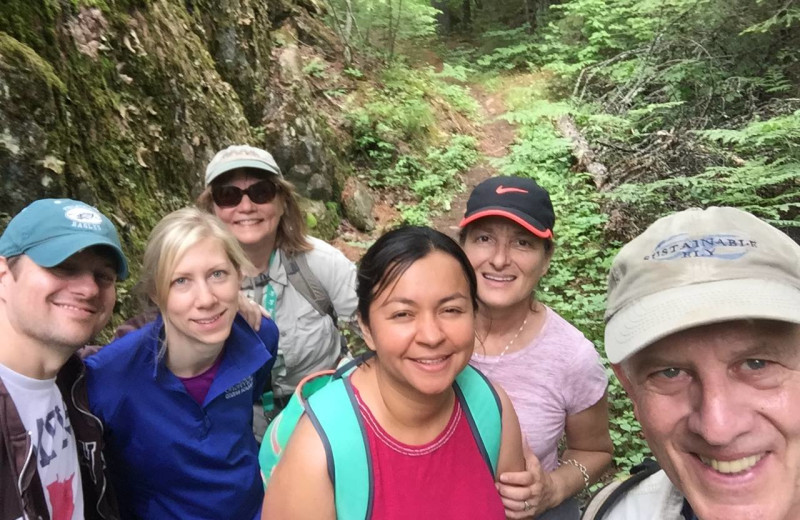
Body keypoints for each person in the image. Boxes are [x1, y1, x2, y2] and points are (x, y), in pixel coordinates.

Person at [262, 226, 525, 519]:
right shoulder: (319, 450)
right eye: (403, 314)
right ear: (366, 327)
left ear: (474, 314)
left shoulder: (491, 408)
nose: (431, 335)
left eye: (451, 310)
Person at [582, 206, 800, 520]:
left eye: (757, 364)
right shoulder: (617, 513)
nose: (717, 429)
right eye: (670, 373)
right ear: (630, 388)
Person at [84, 208, 278, 519]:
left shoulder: (258, 338)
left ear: (239, 276)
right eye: (181, 281)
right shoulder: (110, 379)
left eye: (218, 274)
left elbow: (248, 399)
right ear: (156, 294)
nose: (206, 299)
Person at [458, 176, 613, 519]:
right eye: (484, 239)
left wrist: (553, 488)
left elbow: (595, 449)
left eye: (522, 243)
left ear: (545, 259)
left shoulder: (571, 356)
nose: (499, 260)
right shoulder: (429, 332)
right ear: (462, 248)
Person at [197, 144, 358, 435]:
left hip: (324, 415)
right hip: (241, 427)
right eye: (228, 195)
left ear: (282, 202)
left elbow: (379, 324)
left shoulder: (319, 263)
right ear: (212, 209)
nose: (246, 207)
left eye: (261, 192)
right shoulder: (195, 279)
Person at [0, 198, 127, 520]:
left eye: (104, 276)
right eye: (62, 267)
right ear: (3, 275)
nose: (88, 289)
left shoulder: (77, 380)